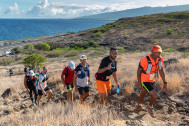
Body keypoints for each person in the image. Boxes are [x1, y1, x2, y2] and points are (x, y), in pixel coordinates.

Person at [137, 45, 167, 118]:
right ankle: (150, 107)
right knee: (155, 96)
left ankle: (139, 105)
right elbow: (139, 71)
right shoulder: (145, 59)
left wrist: (165, 82)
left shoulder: (160, 59)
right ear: (152, 52)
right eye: (157, 53)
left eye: (160, 53)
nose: (159, 54)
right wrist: (139, 82)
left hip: (152, 79)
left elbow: (161, 70)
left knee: (144, 92)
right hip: (144, 80)